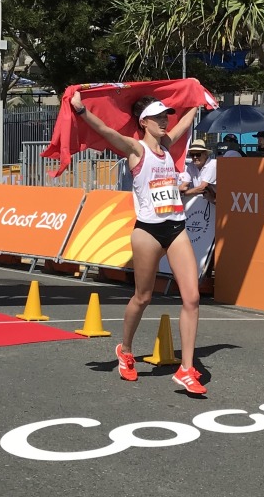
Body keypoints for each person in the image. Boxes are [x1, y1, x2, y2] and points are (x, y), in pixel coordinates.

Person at [71, 90, 207, 395]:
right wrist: (81, 111)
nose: (164, 122)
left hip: (176, 228)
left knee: (192, 299)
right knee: (143, 297)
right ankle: (126, 348)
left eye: (165, 117)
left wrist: (196, 101)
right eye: (158, 117)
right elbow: (105, 131)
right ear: (144, 122)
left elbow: (183, 125)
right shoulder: (135, 149)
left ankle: (186, 369)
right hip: (147, 232)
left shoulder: (167, 145)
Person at [184, 139, 217, 203]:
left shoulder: (213, 164)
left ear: (205, 154)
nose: (195, 157)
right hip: (201, 203)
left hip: (215, 204)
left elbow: (202, 187)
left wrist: (184, 193)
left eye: (198, 154)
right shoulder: (191, 165)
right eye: (192, 155)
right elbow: (184, 184)